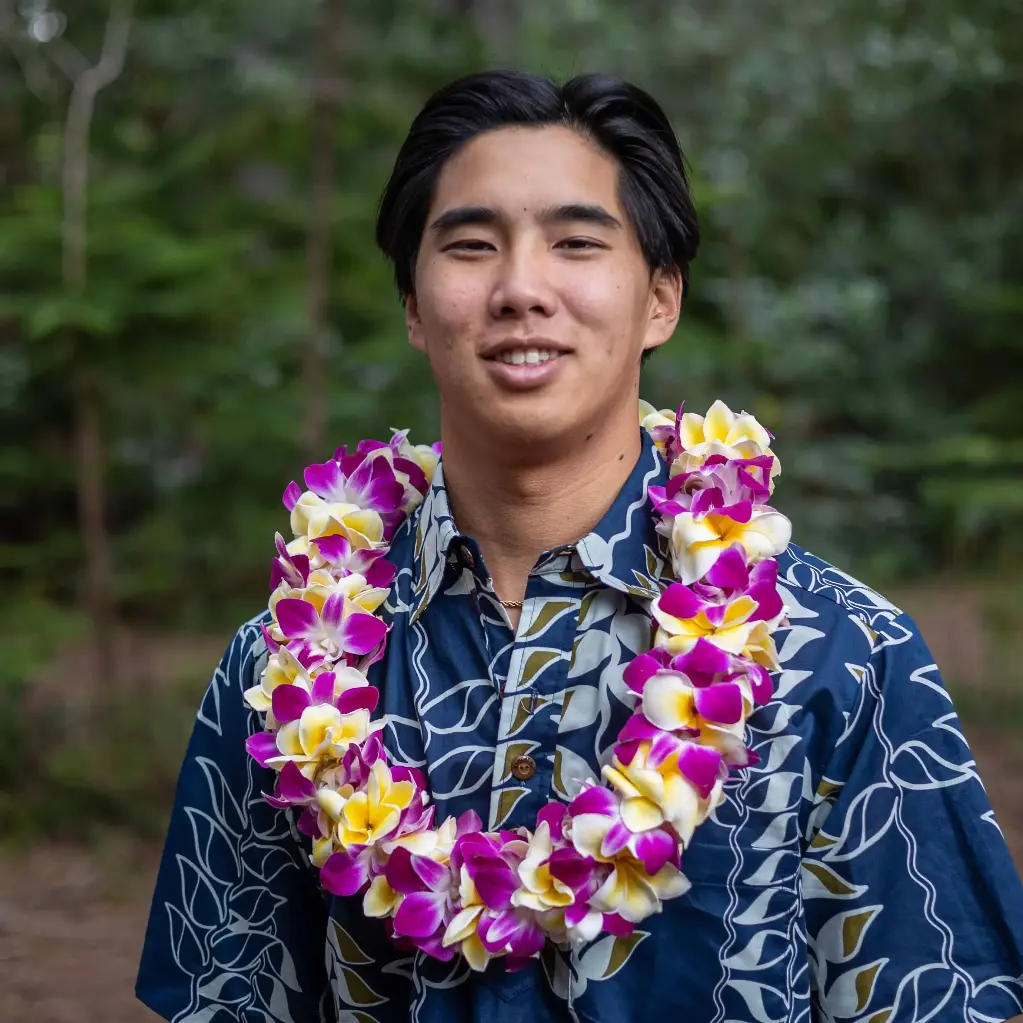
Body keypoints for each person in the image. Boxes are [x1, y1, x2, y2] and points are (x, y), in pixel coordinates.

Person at [136, 70, 1023, 1023]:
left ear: (659, 300)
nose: (521, 289)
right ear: (412, 306)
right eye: (471, 246)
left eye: (576, 243)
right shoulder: (281, 676)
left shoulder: (840, 653)